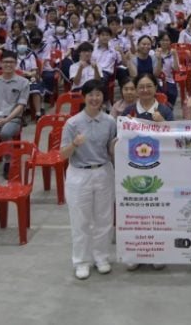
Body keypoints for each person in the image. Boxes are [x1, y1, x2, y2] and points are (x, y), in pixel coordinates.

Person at [61, 80, 117, 280]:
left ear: (103, 97)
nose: (95, 98)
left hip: (103, 171)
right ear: (84, 97)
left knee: (104, 218)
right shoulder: (73, 123)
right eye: (91, 95)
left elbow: (111, 151)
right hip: (79, 174)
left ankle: (101, 257)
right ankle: (81, 261)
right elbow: (62, 154)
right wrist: (75, 144)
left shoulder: (110, 122)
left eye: (98, 94)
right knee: (80, 220)